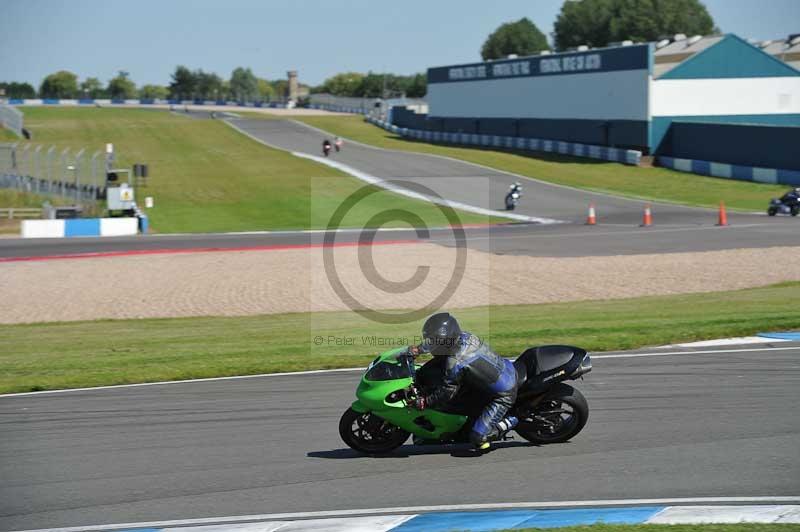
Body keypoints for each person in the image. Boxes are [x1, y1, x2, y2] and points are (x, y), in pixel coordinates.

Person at [408, 312, 520, 452]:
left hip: (504, 394)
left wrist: (425, 402)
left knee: (478, 438)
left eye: (436, 341)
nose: (432, 345)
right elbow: (438, 341)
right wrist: (418, 349)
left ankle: (513, 419)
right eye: (430, 340)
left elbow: (446, 392)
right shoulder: (462, 337)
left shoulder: (456, 361)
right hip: (498, 372)